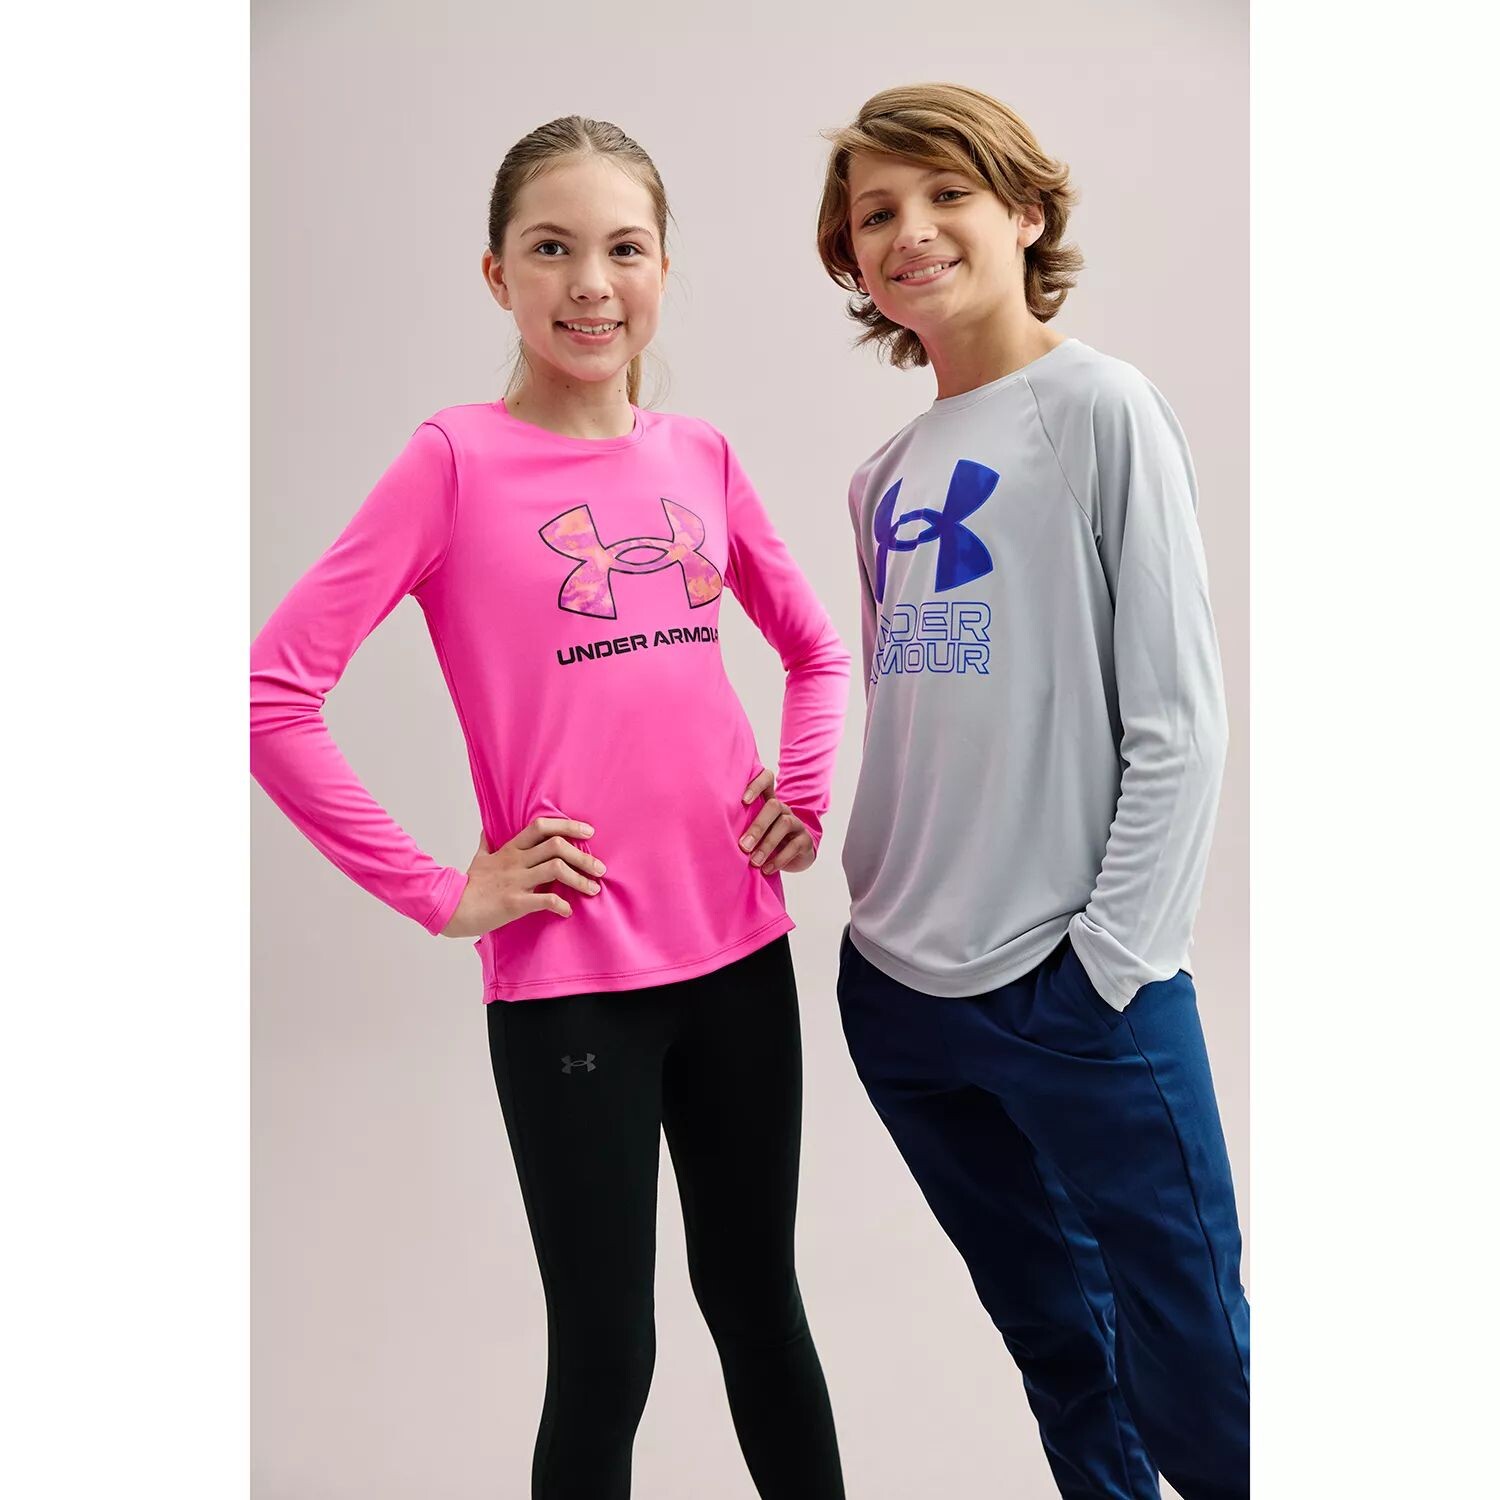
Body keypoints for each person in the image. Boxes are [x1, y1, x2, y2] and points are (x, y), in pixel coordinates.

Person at [251, 114, 850, 1500]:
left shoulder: (699, 454)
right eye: (551, 249)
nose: (592, 283)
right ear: (496, 274)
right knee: (607, 1353)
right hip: (573, 984)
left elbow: (817, 650)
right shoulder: (453, 463)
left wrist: (804, 796)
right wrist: (439, 890)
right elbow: (275, 694)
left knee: (762, 1309)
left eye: (625, 249)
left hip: (741, 957)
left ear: (663, 270)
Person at [815, 83, 1250, 1500]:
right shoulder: (883, 474)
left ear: (1025, 211)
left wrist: (1108, 967)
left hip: (1077, 993)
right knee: (1063, 1351)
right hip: (902, 994)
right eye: (876, 212)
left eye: (947, 193)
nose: (912, 230)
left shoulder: (1100, 408)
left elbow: (1180, 722)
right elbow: (919, 716)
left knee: (1203, 1376)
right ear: (850, 258)